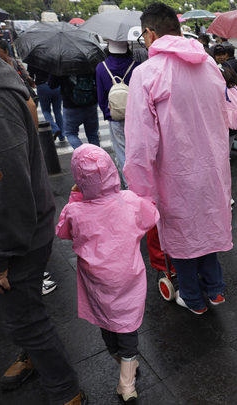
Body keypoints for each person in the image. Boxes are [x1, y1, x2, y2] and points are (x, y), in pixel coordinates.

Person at [0, 45, 86, 405]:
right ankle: (31, 355)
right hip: (10, 226)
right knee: (10, 309)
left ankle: (66, 391)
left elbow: (6, 187)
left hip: (15, 234)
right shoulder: (6, 81)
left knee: (24, 317)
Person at [124, 2, 232, 315]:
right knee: (209, 227)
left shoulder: (146, 74)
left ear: (149, 32)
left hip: (175, 172)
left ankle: (193, 299)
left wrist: (141, 193)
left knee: (182, 235)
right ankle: (215, 290)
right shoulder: (208, 64)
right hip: (212, 167)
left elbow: (140, 144)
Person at [56, 144, 159, 402]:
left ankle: (126, 373)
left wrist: (75, 199)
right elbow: (151, 216)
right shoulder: (131, 201)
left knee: (107, 326)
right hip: (128, 277)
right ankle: (128, 379)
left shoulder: (75, 210)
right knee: (127, 327)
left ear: (78, 180)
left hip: (97, 283)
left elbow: (63, 232)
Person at [96, 40, 140, 188]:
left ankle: (129, 186)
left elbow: (101, 98)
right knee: (137, 150)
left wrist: (108, 113)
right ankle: (141, 182)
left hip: (115, 116)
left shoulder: (101, 67)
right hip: (135, 116)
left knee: (121, 152)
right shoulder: (136, 66)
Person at [48, 70, 100, 149]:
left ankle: (83, 155)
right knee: (93, 135)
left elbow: (52, 85)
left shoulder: (62, 63)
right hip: (91, 103)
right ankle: (97, 159)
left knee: (71, 133)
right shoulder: (88, 61)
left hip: (70, 105)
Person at [29, 65, 65, 141]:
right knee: (58, 111)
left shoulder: (34, 59)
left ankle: (54, 128)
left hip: (42, 86)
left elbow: (31, 75)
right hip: (56, 85)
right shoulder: (53, 56)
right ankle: (62, 135)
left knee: (46, 111)